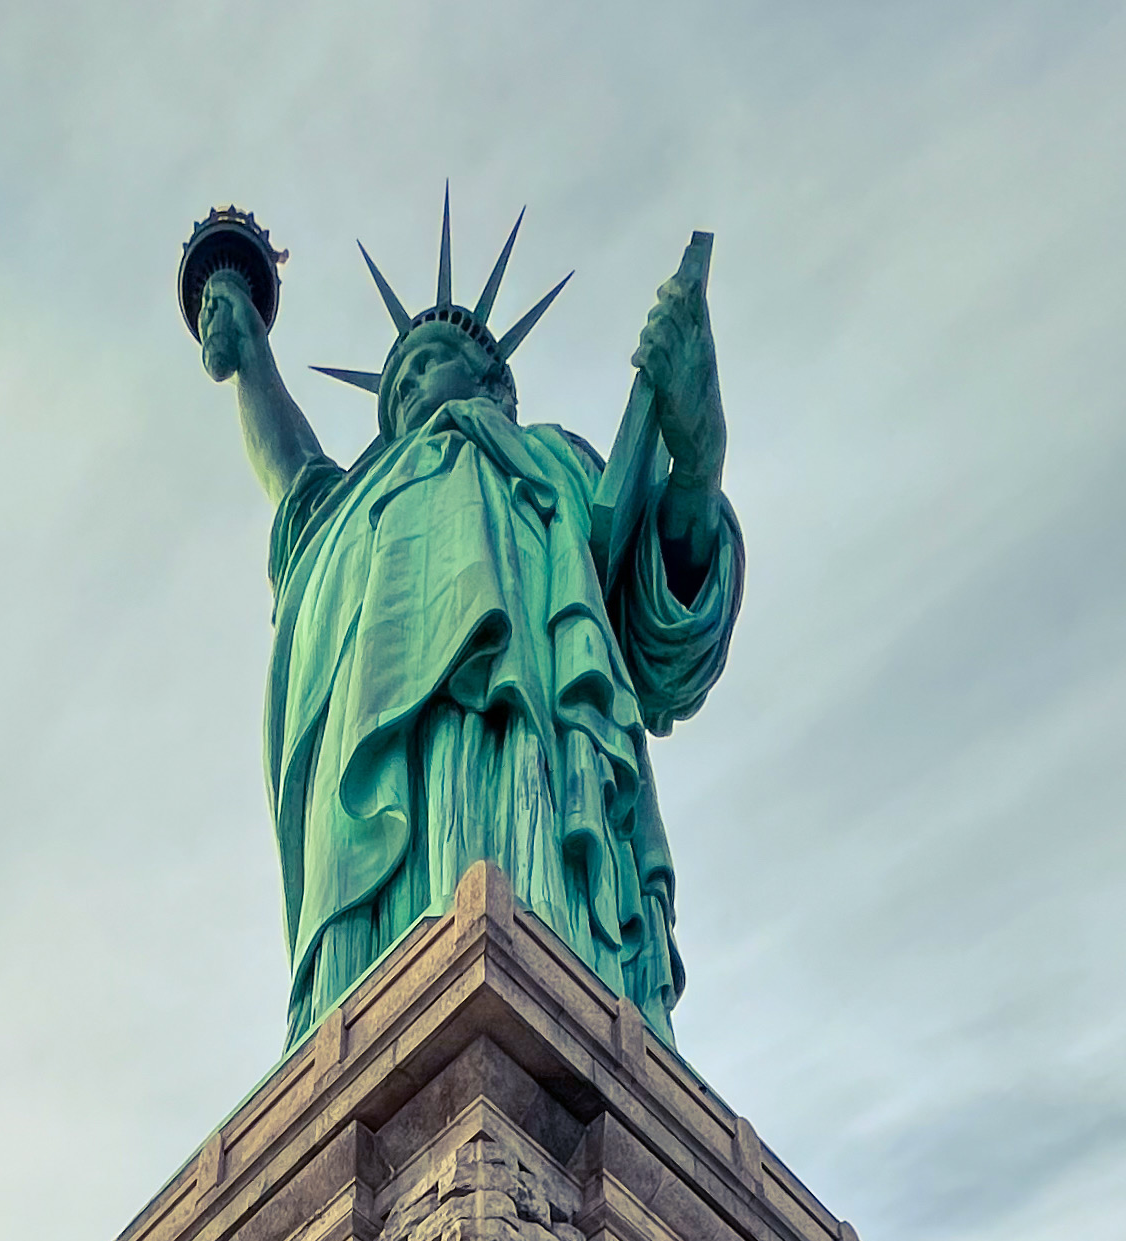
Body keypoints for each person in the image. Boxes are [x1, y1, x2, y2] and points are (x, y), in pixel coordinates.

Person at [198, 208, 743, 1050]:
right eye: (396, 386)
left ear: (494, 382)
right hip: (362, 770)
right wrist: (249, 359)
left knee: (513, 894)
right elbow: (295, 476)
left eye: (429, 363)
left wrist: (696, 453)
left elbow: (661, 626)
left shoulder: (554, 463)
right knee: (365, 980)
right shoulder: (352, 505)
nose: (410, 389)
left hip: (518, 728)